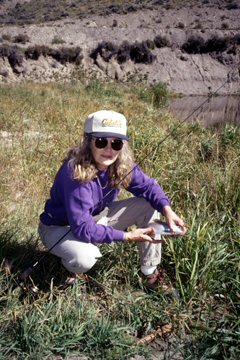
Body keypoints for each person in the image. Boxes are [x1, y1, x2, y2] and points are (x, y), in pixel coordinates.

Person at [38, 110, 187, 290]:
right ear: (88, 143)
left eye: (116, 143)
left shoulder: (120, 165)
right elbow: (82, 228)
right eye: (101, 142)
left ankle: (150, 273)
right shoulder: (75, 174)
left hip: (96, 218)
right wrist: (127, 236)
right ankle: (69, 270)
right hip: (60, 228)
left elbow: (148, 187)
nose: (109, 150)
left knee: (148, 203)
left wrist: (168, 211)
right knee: (84, 258)